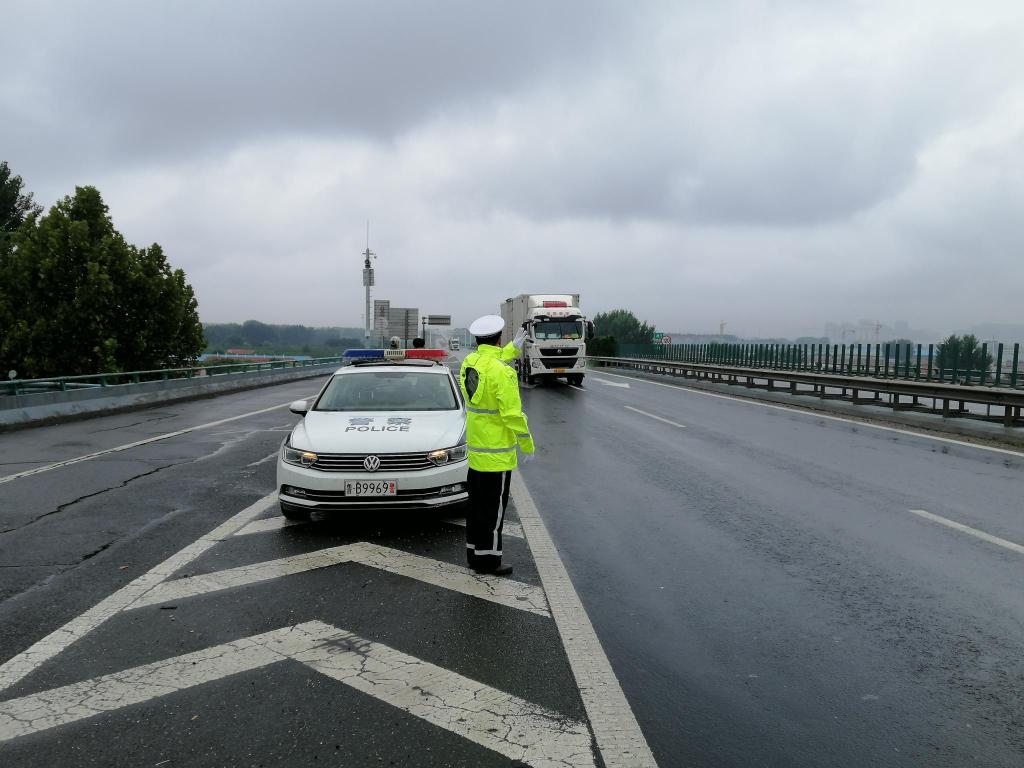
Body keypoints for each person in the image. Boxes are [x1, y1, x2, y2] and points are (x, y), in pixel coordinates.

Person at [459, 315, 533, 575]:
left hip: (477, 453)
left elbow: (490, 360)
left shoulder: (470, 362)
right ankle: (490, 560)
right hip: (497, 456)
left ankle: (474, 553)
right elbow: (512, 414)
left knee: (476, 507)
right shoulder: (504, 372)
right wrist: (527, 445)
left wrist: (512, 349)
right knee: (494, 511)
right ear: (498, 337)